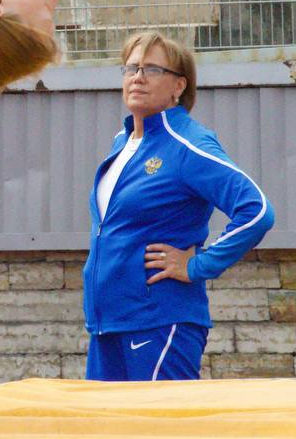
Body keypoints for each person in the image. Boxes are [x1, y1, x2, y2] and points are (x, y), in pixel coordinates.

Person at [82, 31, 274, 381]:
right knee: (108, 435)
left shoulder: (187, 144)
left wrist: (198, 265)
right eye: (130, 68)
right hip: (107, 325)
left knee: (161, 434)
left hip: (160, 323)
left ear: (179, 86)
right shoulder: (123, 142)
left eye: (152, 69)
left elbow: (257, 211)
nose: (137, 77)